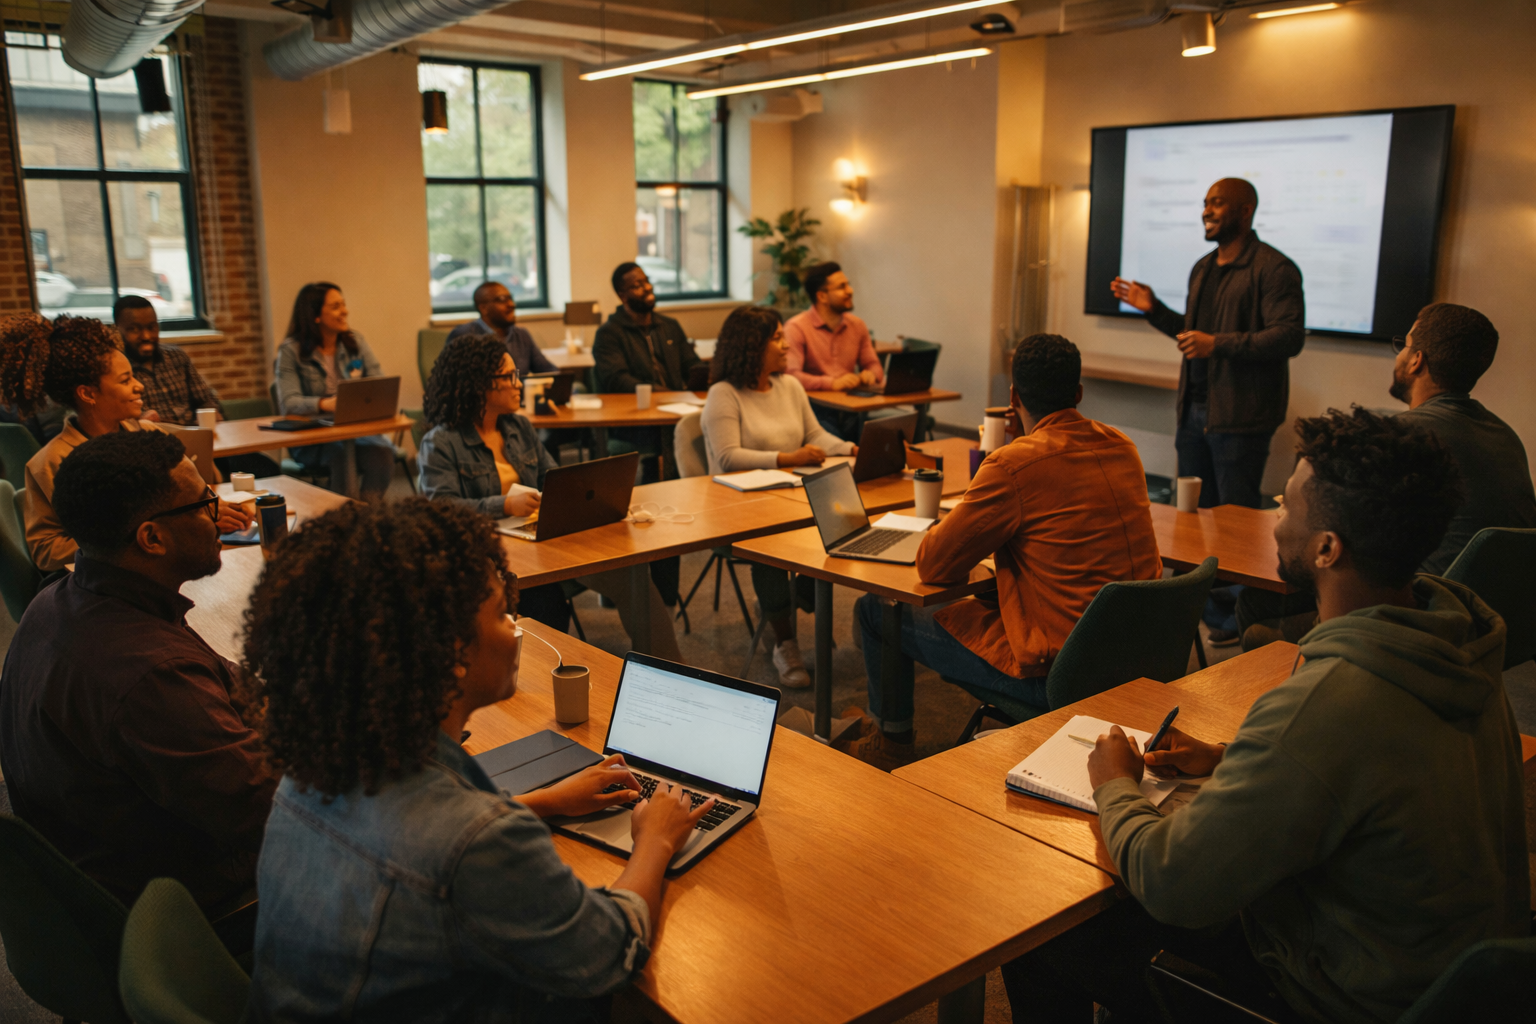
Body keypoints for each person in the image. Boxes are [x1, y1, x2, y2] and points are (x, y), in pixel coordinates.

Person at [1005, 406, 1529, 1024]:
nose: (1277, 516)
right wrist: (1227, 759)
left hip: (1337, 995)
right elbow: (1372, 774)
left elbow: (1171, 883)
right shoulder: (1456, 646)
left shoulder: (1330, 700)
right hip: (1442, 981)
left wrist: (1115, 782)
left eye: (1285, 506)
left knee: (1040, 932)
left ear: (1327, 548)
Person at [238, 499, 711, 1022]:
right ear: (451, 653)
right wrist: (656, 840)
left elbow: (424, 850)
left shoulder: (313, 767)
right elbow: (607, 955)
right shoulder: (475, 839)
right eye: (503, 614)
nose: (516, 629)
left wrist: (539, 804)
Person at [850, 334, 1161, 770]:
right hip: (1142, 659)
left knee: (877, 609)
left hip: (1064, 677)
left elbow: (934, 565)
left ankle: (891, 742)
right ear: (1078, 394)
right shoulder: (1123, 447)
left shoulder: (1014, 464)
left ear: (1013, 398)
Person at [0, 431, 275, 910]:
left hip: (101, 874)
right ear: (151, 537)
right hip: (196, 905)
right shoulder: (149, 674)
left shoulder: (61, 599)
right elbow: (276, 811)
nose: (218, 516)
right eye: (205, 503)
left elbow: (227, 684)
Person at [1238, 302, 1536, 649]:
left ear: (1416, 360)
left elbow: (1335, 527)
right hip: (1502, 619)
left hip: (1425, 619)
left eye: (1404, 345)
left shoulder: (1403, 442)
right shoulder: (1504, 435)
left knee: (1258, 603)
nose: (1400, 355)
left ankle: (1306, 694)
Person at [418, 333, 684, 662]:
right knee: (546, 608)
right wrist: (503, 505)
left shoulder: (518, 427)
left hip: (542, 541)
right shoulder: (441, 443)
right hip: (491, 555)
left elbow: (556, 479)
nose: (520, 384)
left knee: (631, 573)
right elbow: (440, 509)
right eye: (510, 377)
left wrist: (595, 499)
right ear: (479, 384)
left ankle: (667, 672)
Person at [0, 313, 250, 573]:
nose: (139, 386)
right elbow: (45, 551)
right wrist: (126, 540)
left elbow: (187, 496)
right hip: (103, 584)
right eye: (125, 380)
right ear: (87, 393)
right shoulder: (49, 463)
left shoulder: (150, 436)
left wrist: (209, 509)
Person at [1111, 177, 1305, 510]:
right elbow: (1193, 335)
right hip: (1192, 414)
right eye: (1205, 203)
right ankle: (1192, 566)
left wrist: (1216, 344)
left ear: (1245, 211)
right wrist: (1154, 310)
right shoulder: (1202, 268)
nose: (1206, 211)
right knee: (1190, 515)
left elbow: (1288, 336)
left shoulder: (1275, 269)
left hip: (1240, 419)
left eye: (1216, 203)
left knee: (1233, 520)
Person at [701, 306, 856, 688]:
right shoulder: (724, 394)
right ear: (751, 345)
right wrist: (787, 458)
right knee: (770, 550)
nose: (787, 344)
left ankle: (780, 605)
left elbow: (815, 436)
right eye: (776, 337)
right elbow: (727, 456)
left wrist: (850, 448)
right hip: (739, 507)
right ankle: (785, 639)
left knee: (842, 526)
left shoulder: (789, 386)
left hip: (790, 495)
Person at [592, 261, 697, 604]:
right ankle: (623, 589)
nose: (646, 287)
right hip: (634, 430)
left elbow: (690, 365)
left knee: (671, 508)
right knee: (639, 513)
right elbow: (613, 378)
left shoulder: (670, 325)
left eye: (647, 281)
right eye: (636, 285)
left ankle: (666, 593)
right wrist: (659, 393)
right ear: (622, 295)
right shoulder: (610, 333)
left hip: (674, 423)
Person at [115, 294, 279, 479]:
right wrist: (143, 421)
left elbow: (206, 400)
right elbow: (122, 422)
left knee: (268, 470)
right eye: (134, 329)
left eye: (152, 327)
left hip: (203, 444)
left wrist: (212, 413)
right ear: (118, 330)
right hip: (159, 455)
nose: (146, 336)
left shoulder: (176, 357)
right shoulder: (119, 371)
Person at [273, 281, 395, 500]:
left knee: (383, 453)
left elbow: (379, 385)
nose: (345, 311)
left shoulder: (355, 342)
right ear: (315, 316)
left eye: (344, 304)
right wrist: (325, 404)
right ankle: (344, 522)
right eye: (336, 306)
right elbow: (289, 403)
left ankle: (368, 517)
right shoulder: (290, 351)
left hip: (355, 432)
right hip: (312, 438)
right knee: (341, 452)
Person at [782, 261, 884, 440]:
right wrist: (831, 383)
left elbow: (874, 365)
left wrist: (871, 374)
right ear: (822, 296)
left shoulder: (857, 325)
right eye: (841, 287)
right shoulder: (796, 328)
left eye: (848, 284)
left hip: (852, 408)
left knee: (890, 438)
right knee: (839, 446)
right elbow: (791, 376)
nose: (850, 291)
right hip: (815, 412)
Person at [447, 280, 558, 377]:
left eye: (510, 298)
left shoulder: (521, 335)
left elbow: (547, 370)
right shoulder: (464, 336)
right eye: (502, 299)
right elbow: (450, 380)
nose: (511, 304)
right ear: (483, 308)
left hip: (520, 400)